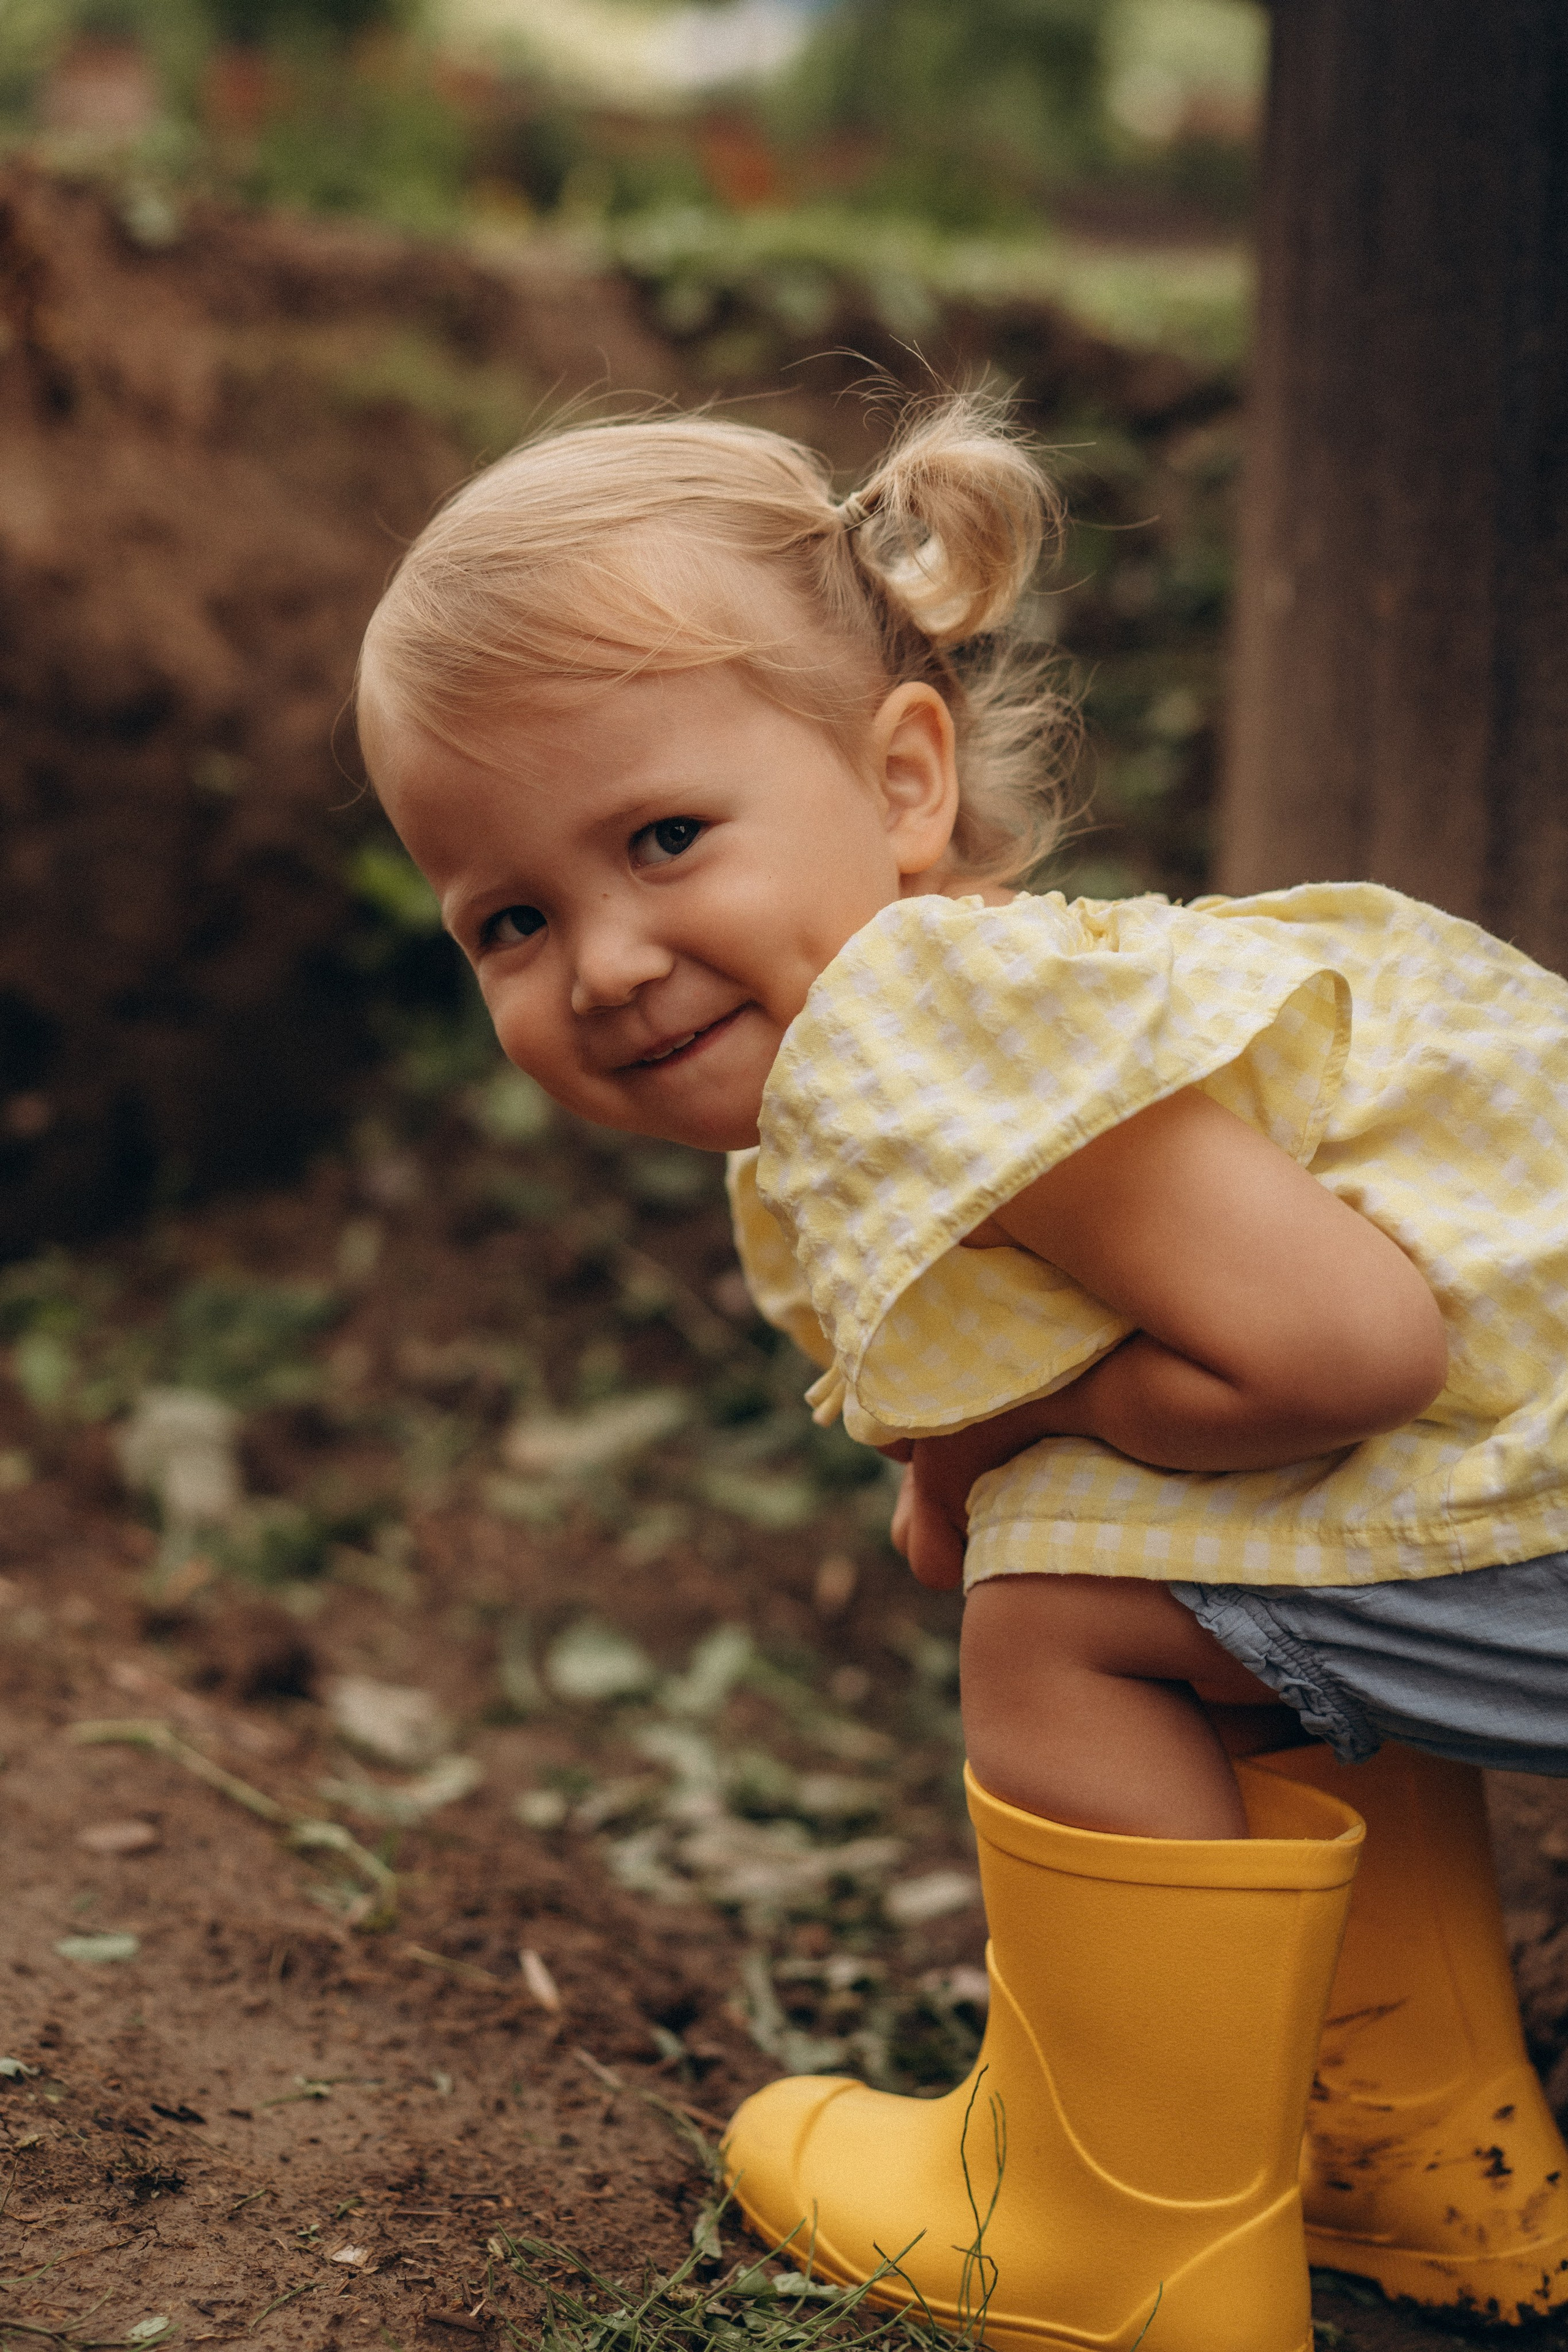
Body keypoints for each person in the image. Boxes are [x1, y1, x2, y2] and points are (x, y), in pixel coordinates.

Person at [355, 393, 1568, 2348]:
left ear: (903, 781)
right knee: (1192, 1568)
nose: (603, 961)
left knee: (1058, 1625)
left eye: (665, 839)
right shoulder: (968, 1025)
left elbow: (1351, 1349)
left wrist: (1035, 1430)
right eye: (512, 919)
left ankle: (1123, 2242)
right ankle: (1422, 2171)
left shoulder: (923, 1019)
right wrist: (997, 1449)